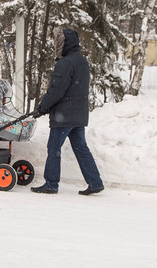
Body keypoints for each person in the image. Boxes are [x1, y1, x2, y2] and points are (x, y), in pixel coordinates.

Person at [31, 28, 104, 195]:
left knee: (54, 148)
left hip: (64, 115)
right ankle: (95, 182)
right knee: (81, 148)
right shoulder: (82, 61)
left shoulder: (65, 63)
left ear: (63, 43)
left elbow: (56, 90)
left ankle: (51, 184)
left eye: (57, 42)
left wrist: (42, 108)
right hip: (78, 114)